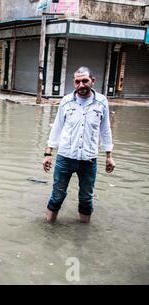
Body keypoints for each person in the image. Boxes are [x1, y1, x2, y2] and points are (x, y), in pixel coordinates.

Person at [43, 66, 115, 224]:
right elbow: (57, 127)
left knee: (86, 198)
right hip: (65, 158)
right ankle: (48, 227)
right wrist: (48, 154)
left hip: (89, 160)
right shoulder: (66, 101)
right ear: (74, 83)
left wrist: (109, 156)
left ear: (92, 81)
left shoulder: (101, 102)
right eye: (77, 81)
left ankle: (83, 233)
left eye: (85, 81)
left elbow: (105, 129)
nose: (81, 85)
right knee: (57, 195)